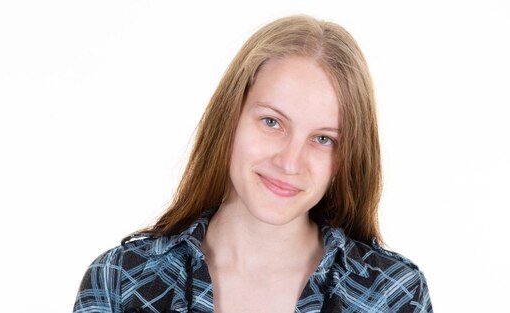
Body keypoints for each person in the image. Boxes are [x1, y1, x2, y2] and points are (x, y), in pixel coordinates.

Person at [73, 15, 433, 313]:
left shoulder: (392, 295)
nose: (290, 162)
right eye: (272, 122)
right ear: (229, 117)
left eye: (323, 139)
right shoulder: (121, 282)